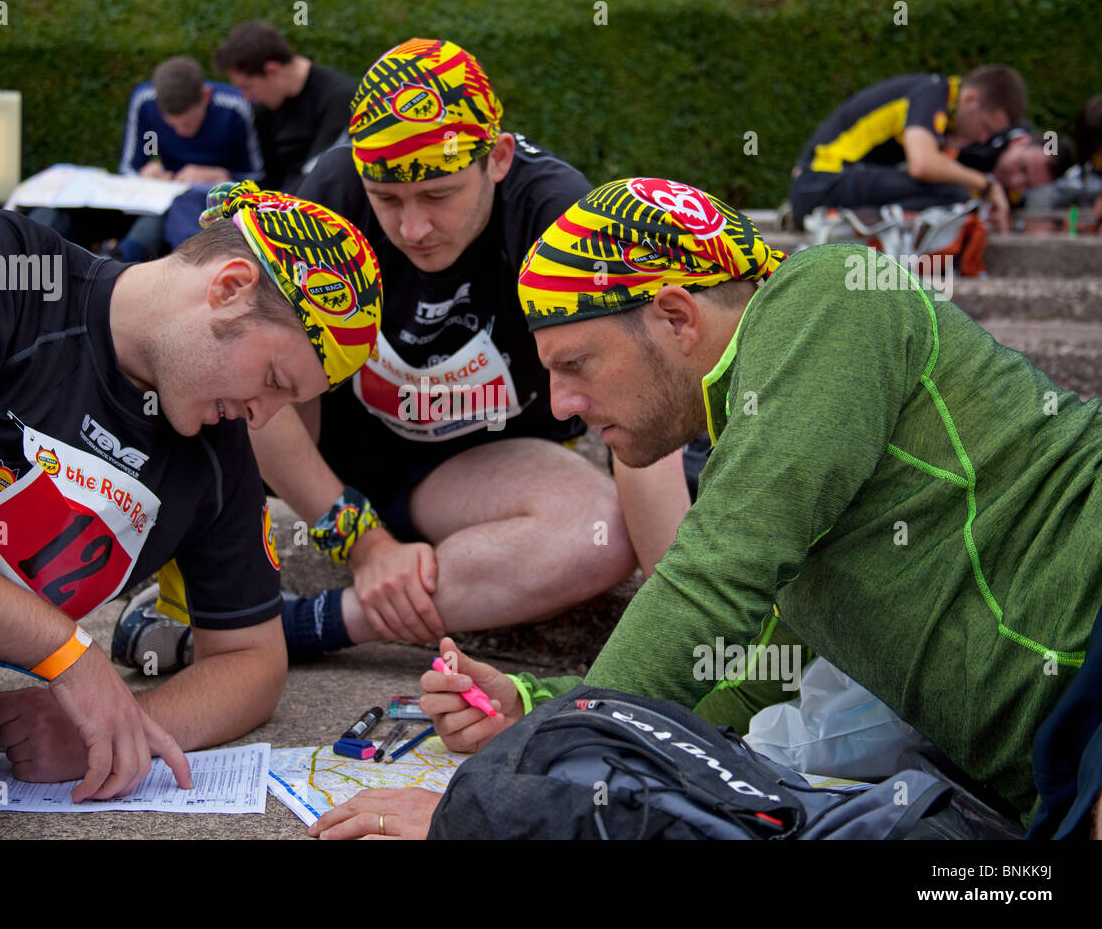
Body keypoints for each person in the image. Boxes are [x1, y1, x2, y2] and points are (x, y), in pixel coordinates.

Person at [310, 176, 1102, 839]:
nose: (559, 405)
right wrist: (534, 704)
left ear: (676, 315)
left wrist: (492, 803)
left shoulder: (824, 296)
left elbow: (711, 580)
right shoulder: (776, 436)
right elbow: (746, 678)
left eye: (577, 363)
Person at [0, 182, 381, 837]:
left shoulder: (216, 458)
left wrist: (121, 726)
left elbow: (253, 660)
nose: (263, 415)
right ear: (230, 287)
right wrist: (67, 654)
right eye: (275, 380)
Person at [114, 38, 636, 668]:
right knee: (243, 360)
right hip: (332, 448)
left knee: (599, 531)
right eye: (387, 201)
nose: (412, 229)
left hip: (477, 465)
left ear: (496, 159)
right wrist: (362, 544)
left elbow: (633, 407)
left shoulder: (555, 214)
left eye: (438, 197)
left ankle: (303, 627)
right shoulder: (332, 187)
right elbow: (248, 368)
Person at [789, 65, 1029, 233]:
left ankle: (852, 224)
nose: (982, 137)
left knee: (954, 197)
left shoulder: (942, 107)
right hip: (821, 183)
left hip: (820, 185)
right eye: (984, 127)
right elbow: (922, 165)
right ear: (970, 99)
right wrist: (986, 184)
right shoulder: (931, 93)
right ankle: (838, 223)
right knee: (952, 194)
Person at [115, 56, 264, 261]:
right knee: (166, 208)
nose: (180, 132)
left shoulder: (236, 107)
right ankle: (124, 256)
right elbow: (129, 167)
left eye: (187, 123)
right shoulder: (145, 100)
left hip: (216, 194)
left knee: (182, 208)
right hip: (167, 190)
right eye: (171, 125)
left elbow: (258, 176)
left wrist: (220, 175)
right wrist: (146, 172)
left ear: (205, 96)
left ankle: (133, 256)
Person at [213, 20, 356, 193]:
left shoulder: (339, 98)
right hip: (284, 204)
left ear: (272, 70)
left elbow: (322, 173)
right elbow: (270, 178)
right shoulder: (265, 107)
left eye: (247, 87)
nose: (246, 97)